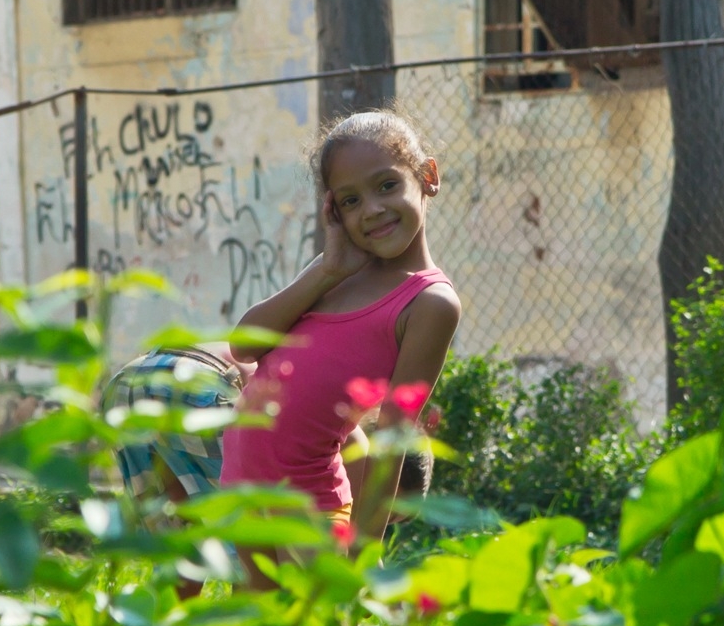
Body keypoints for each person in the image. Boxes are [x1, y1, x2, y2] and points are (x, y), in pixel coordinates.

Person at [222, 110, 462, 568]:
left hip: (309, 503)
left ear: (428, 176)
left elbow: (394, 430)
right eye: (350, 201)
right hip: (245, 489)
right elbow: (245, 345)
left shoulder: (429, 301)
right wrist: (327, 271)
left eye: (387, 185)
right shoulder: (334, 270)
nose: (371, 209)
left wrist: (365, 546)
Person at [101, 343, 249, 597]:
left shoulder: (266, 330)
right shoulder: (291, 355)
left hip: (127, 384)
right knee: (249, 535)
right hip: (197, 381)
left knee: (178, 532)